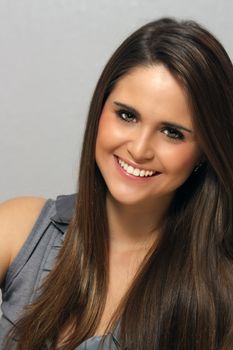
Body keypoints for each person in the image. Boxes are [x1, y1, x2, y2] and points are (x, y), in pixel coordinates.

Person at [0, 17, 233, 350]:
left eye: (172, 133)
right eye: (127, 115)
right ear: (100, 109)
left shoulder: (220, 294)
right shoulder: (21, 230)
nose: (139, 149)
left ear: (205, 152)